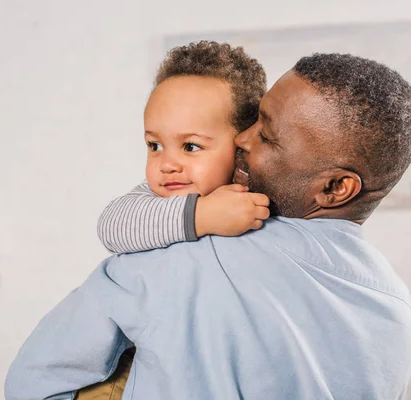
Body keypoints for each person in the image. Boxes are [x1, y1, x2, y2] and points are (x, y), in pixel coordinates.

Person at [5, 52, 411, 400]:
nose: (243, 139)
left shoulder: (172, 258)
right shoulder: (400, 317)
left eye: (267, 136)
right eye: (253, 121)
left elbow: (33, 382)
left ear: (335, 187)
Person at [79, 39, 269, 400]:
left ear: (243, 145)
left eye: (191, 146)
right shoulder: (156, 199)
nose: (167, 163)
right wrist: (202, 215)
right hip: (137, 366)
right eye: (154, 145)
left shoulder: (258, 193)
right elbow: (112, 225)